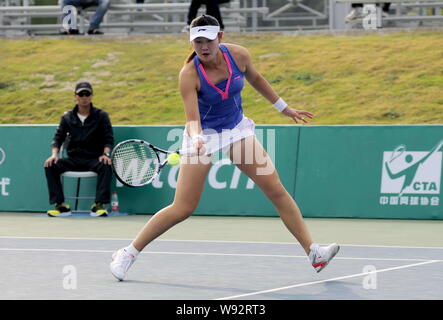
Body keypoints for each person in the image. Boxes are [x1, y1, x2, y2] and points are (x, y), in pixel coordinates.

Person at [110, 14, 339, 281]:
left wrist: (284, 108)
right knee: (182, 208)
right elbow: (192, 119)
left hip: (236, 130)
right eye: (197, 42)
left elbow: (256, 79)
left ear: (219, 37)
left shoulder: (239, 55)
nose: (203, 47)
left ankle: (314, 253)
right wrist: (196, 138)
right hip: (203, 135)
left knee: (275, 189)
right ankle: (128, 252)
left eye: (207, 40)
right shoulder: (189, 75)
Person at [44, 82, 114, 217]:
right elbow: (58, 138)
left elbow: (108, 138)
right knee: (50, 165)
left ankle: (99, 205)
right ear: (75, 97)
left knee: (106, 164)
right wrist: (54, 155)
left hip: (93, 159)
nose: (84, 97)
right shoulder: (67, 117)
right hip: (73, 159)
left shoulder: (101, 116)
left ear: (92, 96)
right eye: (81, 94)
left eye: (87, 94)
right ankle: (61, 205)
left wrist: (105, 154)